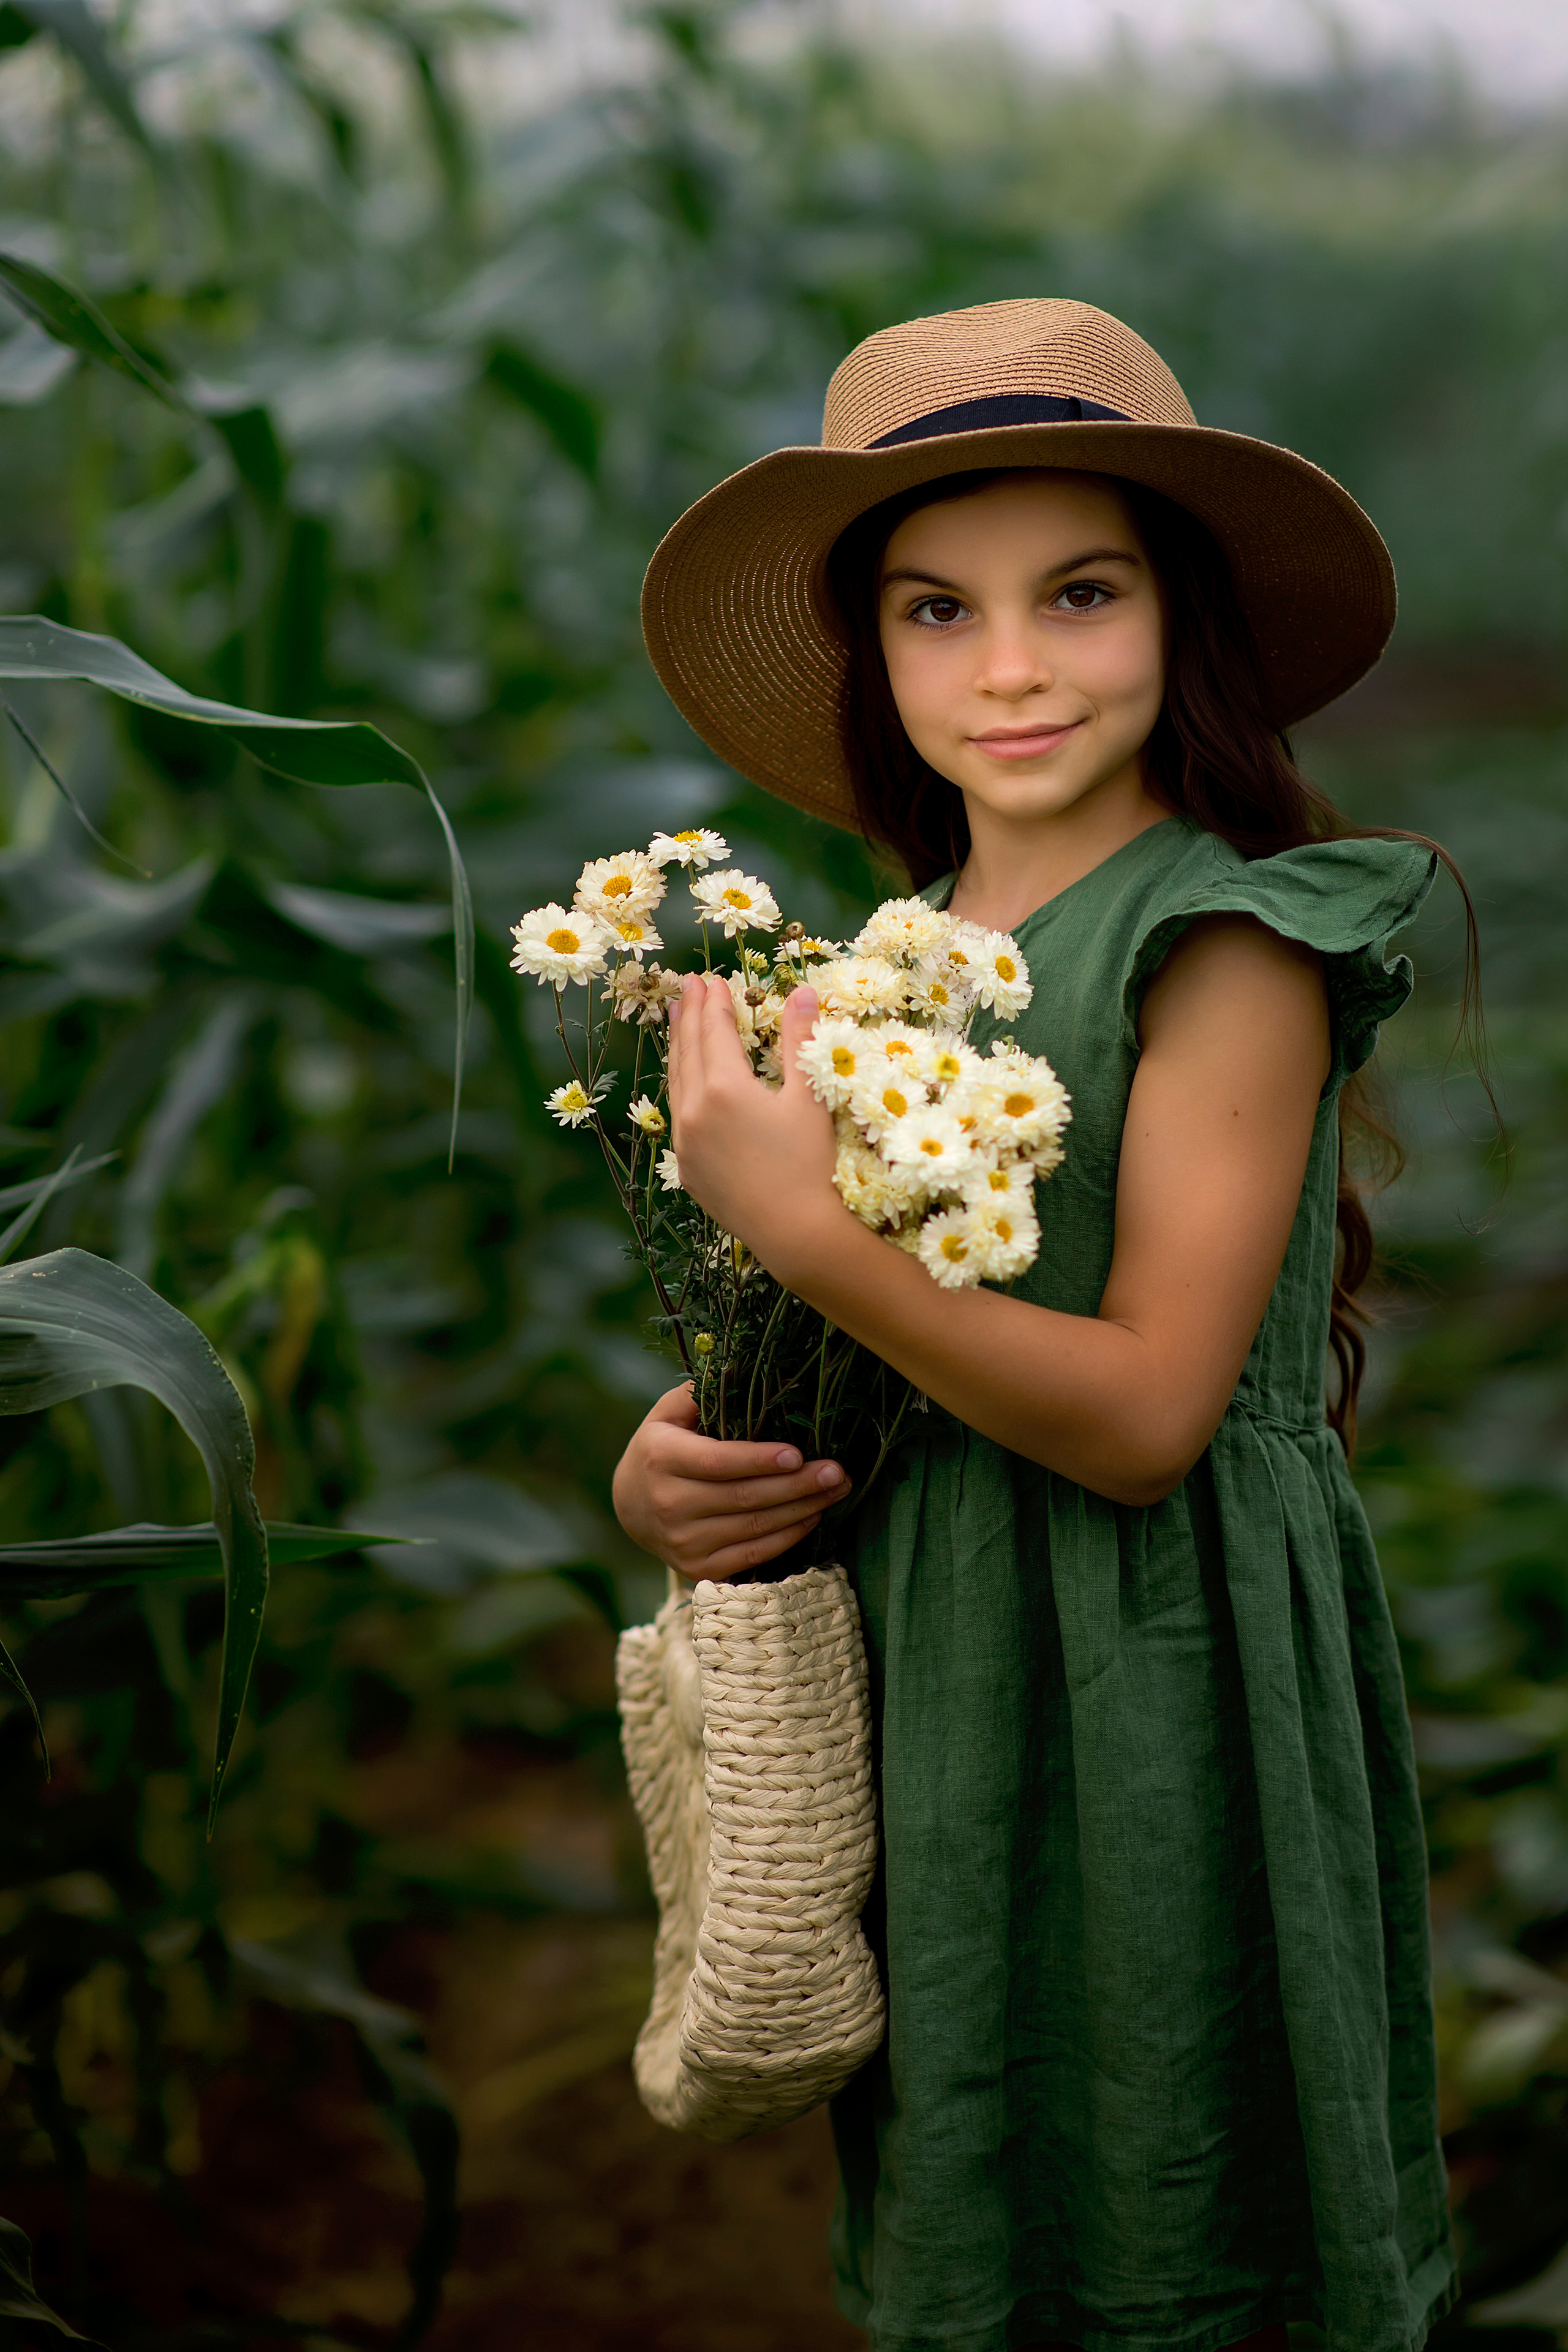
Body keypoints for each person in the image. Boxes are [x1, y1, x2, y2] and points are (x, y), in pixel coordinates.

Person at [612, 300, 1466, 2352]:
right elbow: (867, 1352)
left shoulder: (1226, 944)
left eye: (1078, 594)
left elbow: (1150, 1412)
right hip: (945, 1669)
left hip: (1158, 1666)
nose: (1008, 667)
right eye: (934, 609)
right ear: (869, 656)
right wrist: (689, 1461)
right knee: (979, 2204)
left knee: (1172, 2188)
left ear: (1181, 620)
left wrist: (802, 1233)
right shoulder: (879, 978)